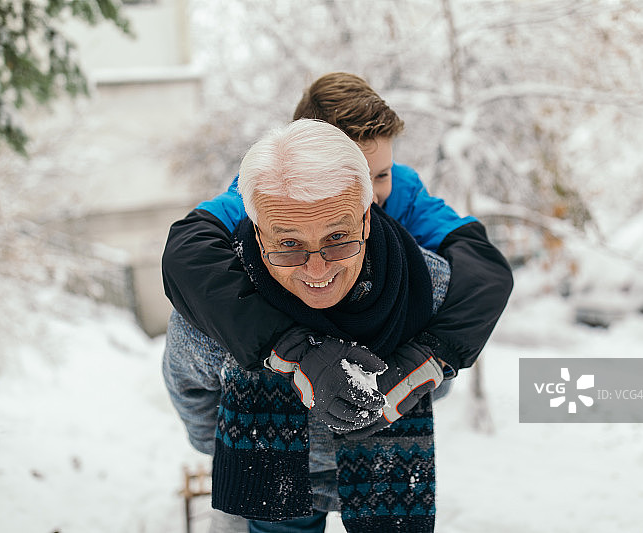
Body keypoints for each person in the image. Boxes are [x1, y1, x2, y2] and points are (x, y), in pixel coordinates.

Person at [162, 73, 513, 430]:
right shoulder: (274, 196)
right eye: (353, 172)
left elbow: (483, 268)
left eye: (380, 174)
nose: (371, 196)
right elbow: (188, 253)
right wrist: (292, 347)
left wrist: (429, 355)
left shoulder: (402, 191)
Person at [164, 119, 459, 532]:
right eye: (288, 244)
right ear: (256, 229)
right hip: (265, 481)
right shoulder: (211, 312)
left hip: (385, 483)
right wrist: (218, 447)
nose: (317, 269)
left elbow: (439, 381)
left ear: (366, 219)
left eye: (338, 237)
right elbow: (188, 385)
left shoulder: (429, 286)